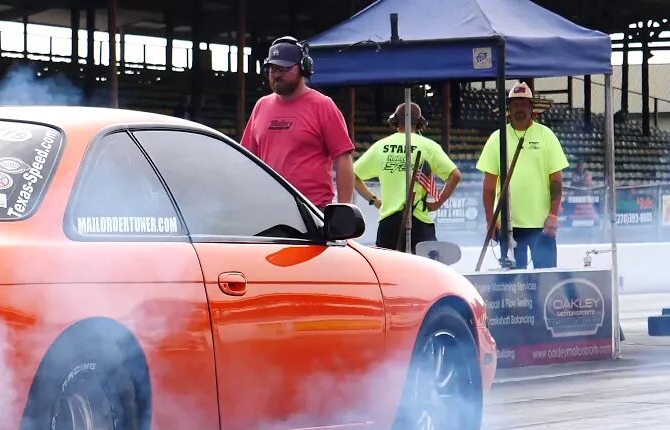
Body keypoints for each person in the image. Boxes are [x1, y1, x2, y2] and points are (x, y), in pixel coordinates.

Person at [239, 36, 355, 208]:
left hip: (312, 210)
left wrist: (345, 212)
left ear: (304, 68)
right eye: (271, 69)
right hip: (268, 208)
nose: (276, 74)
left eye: (283, 68)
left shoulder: (323, 106)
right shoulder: (261, 106)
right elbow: (247, 159)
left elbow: (343, 159)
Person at [477, 82, 568, 270]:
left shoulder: (546, 135)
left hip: (541, 224)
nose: (520, 107)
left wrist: (553, 215)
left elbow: (556, 181)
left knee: (546, 278)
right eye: (515, 103)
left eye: (524, 103)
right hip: (507, 224)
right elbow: (488, 186)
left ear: (531, 107)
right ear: (509, 108)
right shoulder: (497, 138)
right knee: (513, 286)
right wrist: (490, 221)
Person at [353, 102, 461, 252]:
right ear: (419, 124)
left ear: (396, 122)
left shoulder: (381, 146)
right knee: (426, 269)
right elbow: (455, 175)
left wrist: (374, 200)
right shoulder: (429, 146)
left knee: (388, 270)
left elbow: (352, 175)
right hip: (419, 218)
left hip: (389, 220)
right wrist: (438, 202)